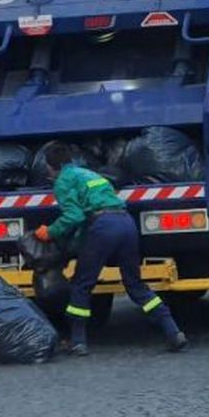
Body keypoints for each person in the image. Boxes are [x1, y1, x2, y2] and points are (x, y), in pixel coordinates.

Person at [33, 142, 186, 357]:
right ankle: (173, 331)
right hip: (126, 223)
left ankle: (78, 342)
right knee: (135, 284)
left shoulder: (63, 181)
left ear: (50, 168)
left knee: (82, 283)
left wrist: (50, 232)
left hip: (103, 227)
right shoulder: (89, 174)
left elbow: (74, 216)